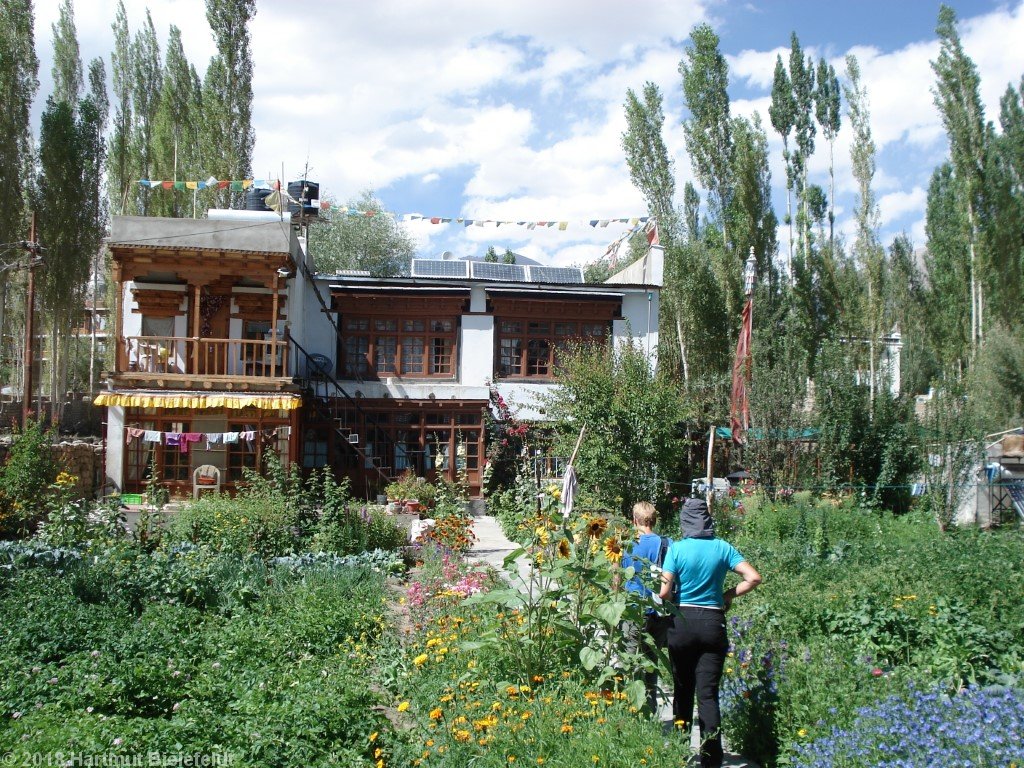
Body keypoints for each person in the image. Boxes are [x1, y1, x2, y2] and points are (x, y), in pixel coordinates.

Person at [659, 497, 762, 768]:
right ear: (707, 520)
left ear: (684, 521)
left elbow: (664, 591)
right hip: (713, 623)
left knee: (682, 690)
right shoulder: (723, 547)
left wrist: (673, 600)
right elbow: (753, 577)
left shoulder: (678, 549)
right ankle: (712, 758)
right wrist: (727, 595)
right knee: (708, 695)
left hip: (682, 621)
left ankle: (680, 752)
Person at [619, 501, 672, 715]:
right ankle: (649, 711)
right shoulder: (667, 544)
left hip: (632, 609)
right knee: (651, 662)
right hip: (657, 610)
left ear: (634, 520)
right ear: (654, 520)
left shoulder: (626, 544)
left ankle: (631, 711)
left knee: (630, 662)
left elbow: (617, 577)